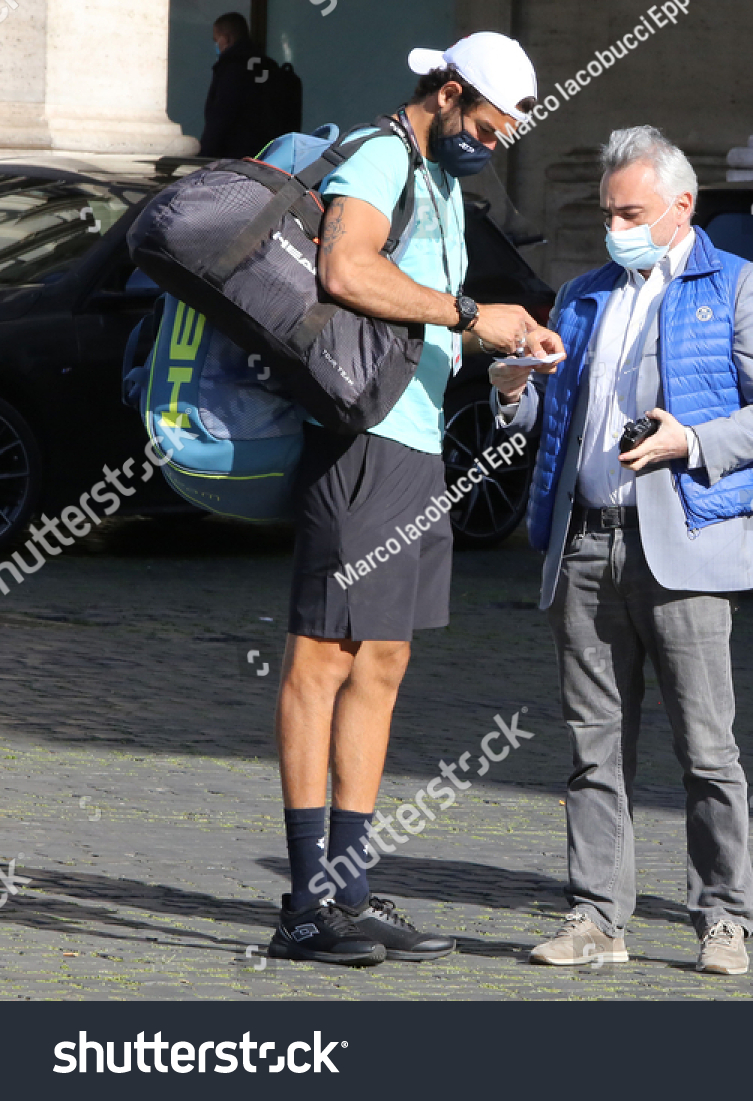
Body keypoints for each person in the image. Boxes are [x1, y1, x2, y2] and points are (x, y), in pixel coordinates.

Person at [267, 32, 564, 967]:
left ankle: (350, 888)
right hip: (360, 441)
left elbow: (419, 305)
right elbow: (346, 270)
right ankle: (306, 905)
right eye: (485, 122)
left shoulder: (440, 182)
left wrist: (499, 355)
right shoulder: (383, 153)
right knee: (323, 657)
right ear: (447, 91)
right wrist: (475, 314)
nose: (492, 140)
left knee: (383, 660)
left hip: (416, 441)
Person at [490, 125, 753, 976]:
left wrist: (689, 441)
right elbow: (547, 427)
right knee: (593, 747)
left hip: (688, 544)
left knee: (707, 748)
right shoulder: (584, 295)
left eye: (631, 211)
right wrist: (514, 392)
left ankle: (726, 918)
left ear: (680, 207)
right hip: (587, 543)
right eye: (606, 212)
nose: (615, 226)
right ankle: (596, 917)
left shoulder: (739, 284)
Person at [201, 12, 266, 159]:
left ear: (227, 39)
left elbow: (222, 114)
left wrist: (205, 154)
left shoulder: (232, 67)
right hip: (268, 155)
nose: (216, 45)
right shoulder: (266, 66)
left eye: (216, 39)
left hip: (234, 156)